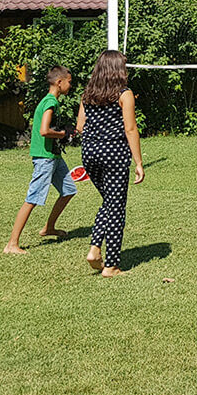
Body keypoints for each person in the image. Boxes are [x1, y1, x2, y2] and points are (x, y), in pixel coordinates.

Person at [76, 50, 144, 276]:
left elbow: (80, 128)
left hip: (90, 154)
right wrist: (139, 162)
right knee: (116, 208)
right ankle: (111, 264)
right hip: (114, 154)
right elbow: (130, 129)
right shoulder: (124, 94)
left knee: (109, 202)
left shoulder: (87, 95)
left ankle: (95, 249)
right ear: (117, 70)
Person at [4, 66, 78, 254]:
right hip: (45, 159)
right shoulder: (50, 102)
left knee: (68, 190)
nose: (71, 85)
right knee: (33, 199)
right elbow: (44, 130)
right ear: (59, 82)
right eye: (69, 81)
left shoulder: (51, 101)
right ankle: (12, 244)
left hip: (54, 156)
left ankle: (49, 228)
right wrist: (63, 134)